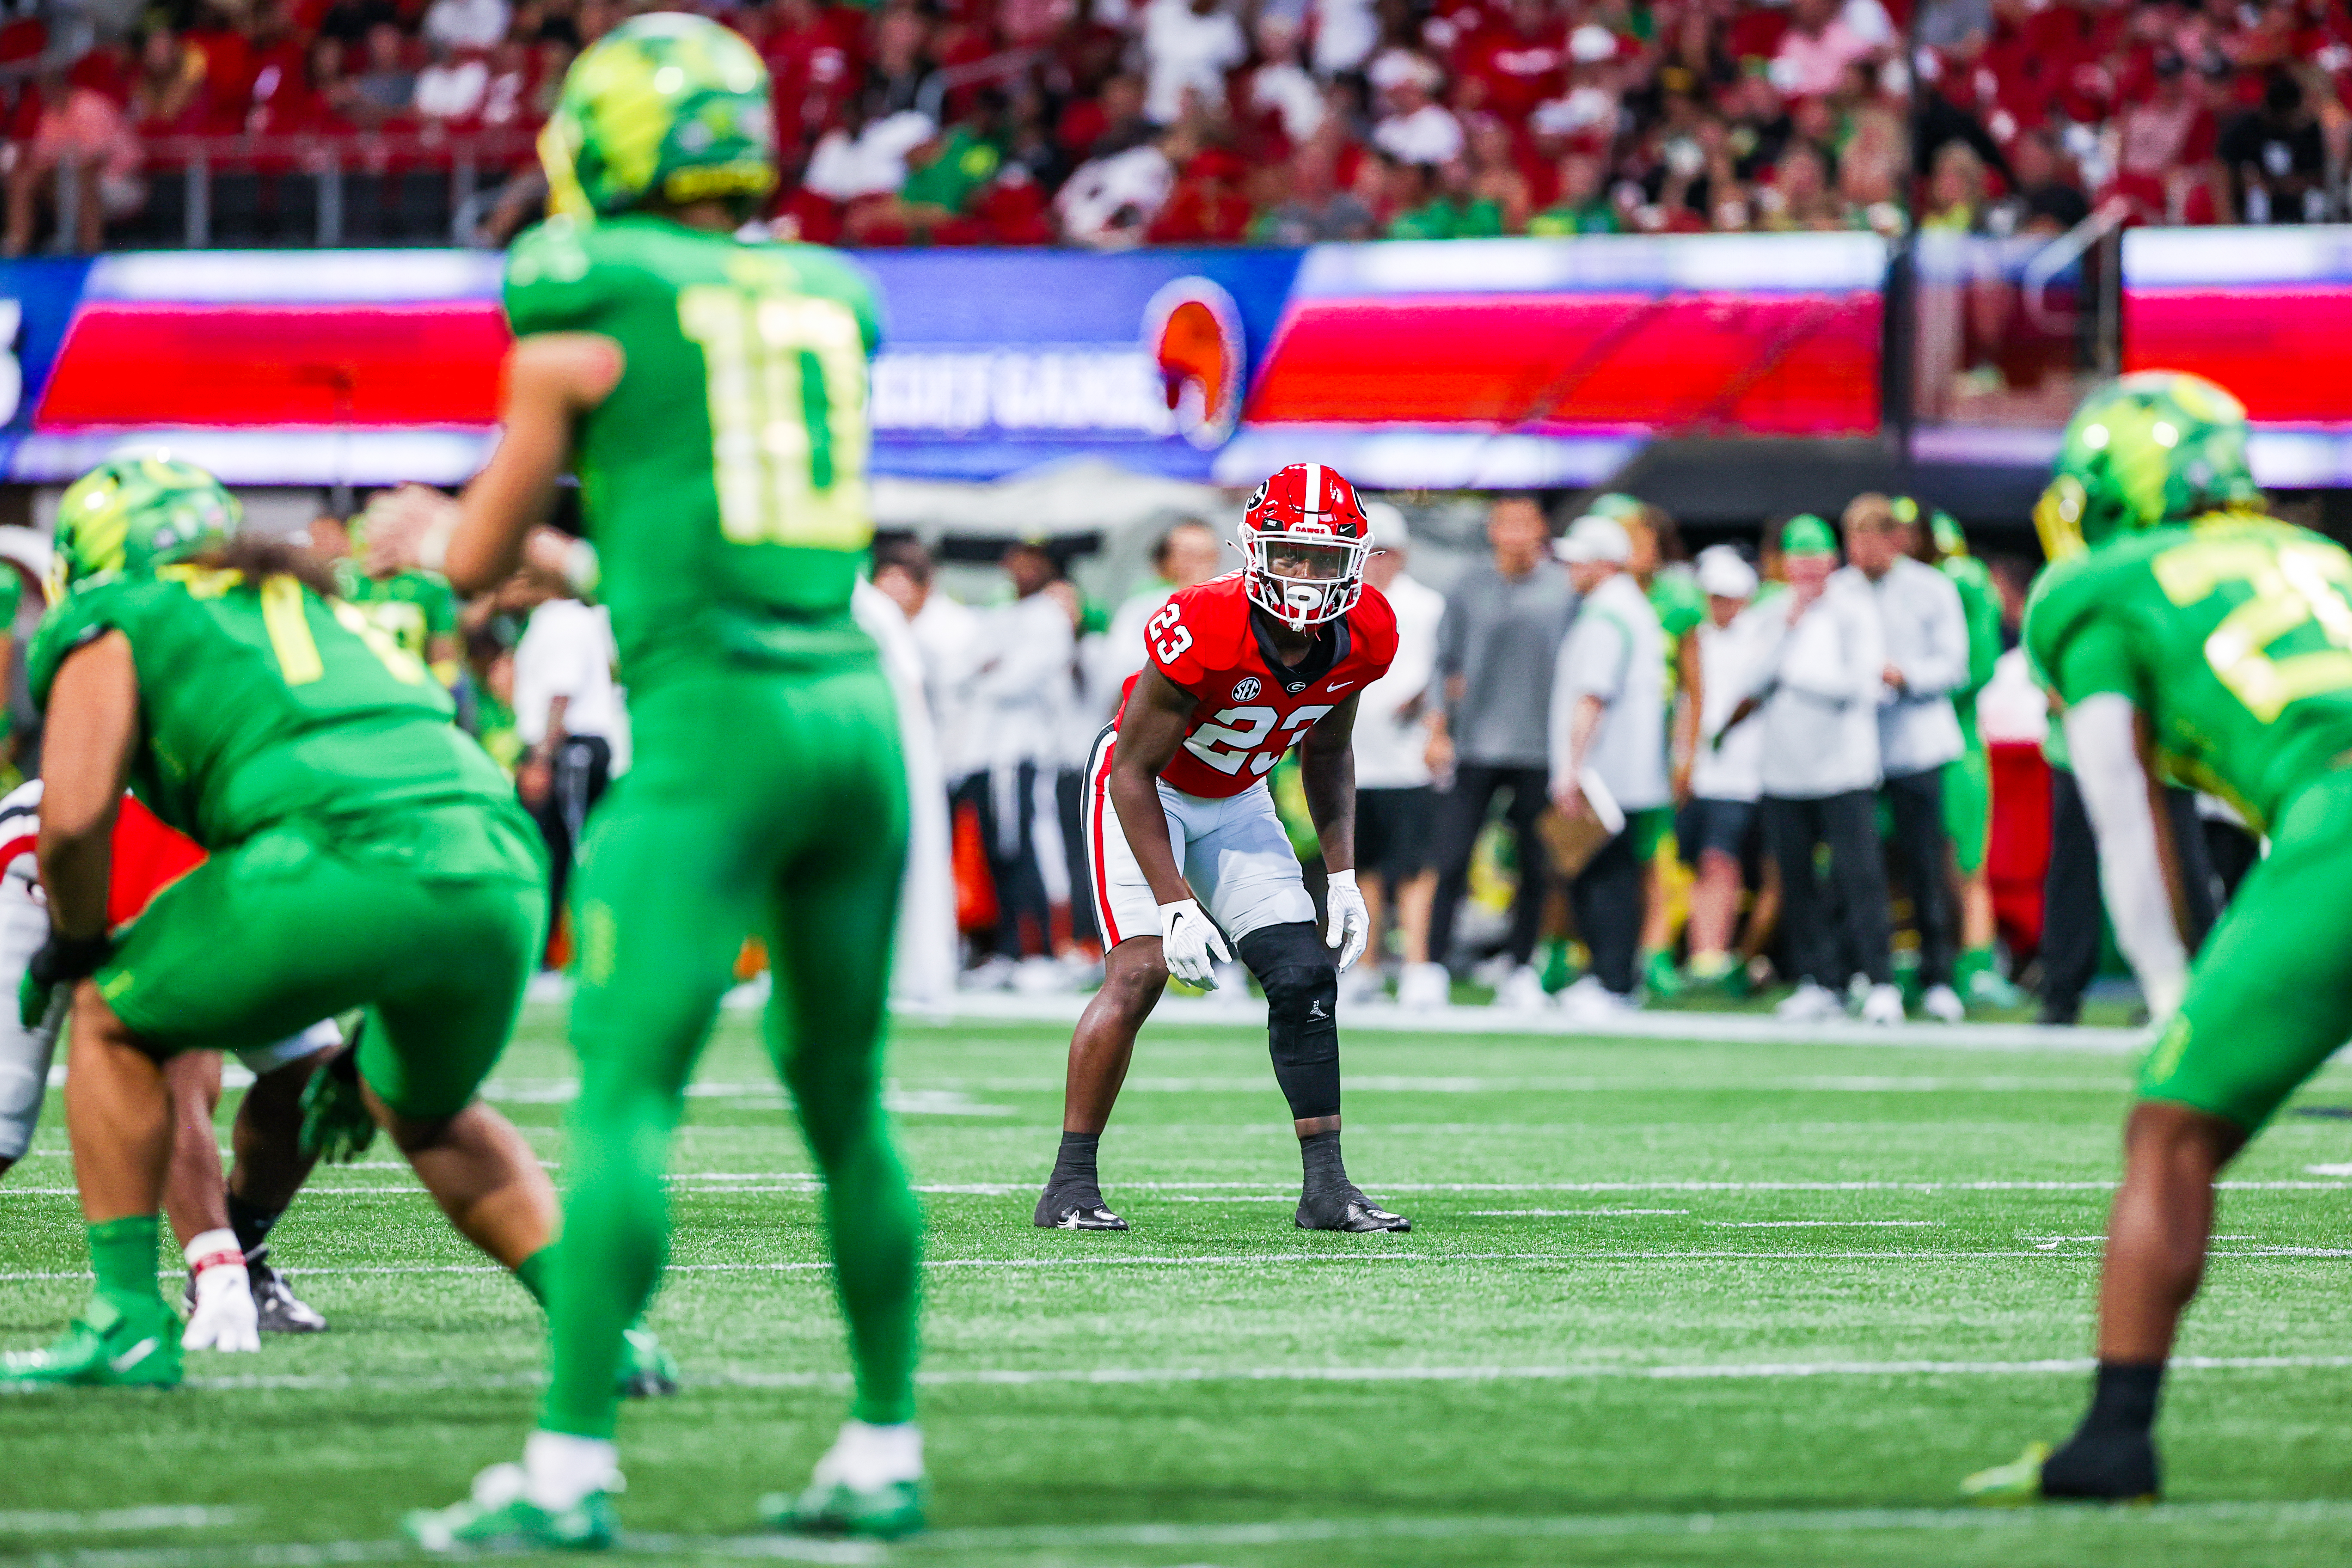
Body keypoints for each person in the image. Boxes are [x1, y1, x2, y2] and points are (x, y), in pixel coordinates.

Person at [392, 15, 925, 1546]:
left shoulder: (583, 286)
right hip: (851, 707)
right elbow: (704, 478)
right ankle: (883, 1445)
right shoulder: (832, 289)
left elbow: (481, 559)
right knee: (849, 1108)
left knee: (628, 1095)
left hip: (715, 723)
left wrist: (468, 527)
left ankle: (567, 1471)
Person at [0, 456, 612, 1406]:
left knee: (116, 1017)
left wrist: (78, 945)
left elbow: (77, 819)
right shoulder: (327, 605)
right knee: (430, 1110)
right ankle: (601, 1332)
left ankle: (125, 1321)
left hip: (333, 856)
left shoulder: (121, 615)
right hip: (495, 864)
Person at [1961, 371, 2352, 1503]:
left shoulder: (2099, 587)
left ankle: (2113, 1443)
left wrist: (2175, 991)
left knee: (2170, 1134)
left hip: (2338, 818)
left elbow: (2125, 824)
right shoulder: (2323, 559)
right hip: (2319, 811)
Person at [1034, 463, 1407, 1235]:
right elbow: (1132, 770)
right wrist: (1175, 902)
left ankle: (1326, 1189)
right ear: (1254, 549)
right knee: (1138, 973)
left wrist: (1341, 875)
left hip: (1237, 794)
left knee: (1306, 973)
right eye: (1290, 555)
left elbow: (1329, 751)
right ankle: (1069, 1183)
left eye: (1323, 559)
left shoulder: (1368, 630)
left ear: (1355, 563)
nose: (1305, 577)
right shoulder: (1202, 620)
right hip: (1146, 789)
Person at [0, 778, 338, 1341]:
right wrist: (214, 1267)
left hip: (210, 871)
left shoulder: (324, 847)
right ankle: (219, 1273)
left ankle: (243, 1251)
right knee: (5, 1110)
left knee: (314, 1074)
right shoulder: (219, 827)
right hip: (55, 854)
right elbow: (174, 1067)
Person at [1740, 515, 1901, 1025]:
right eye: (1798, 558)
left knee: (1861, 878)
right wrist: (1787, 631)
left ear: (1832, 561)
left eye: (1816, 558)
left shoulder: (1855, 610)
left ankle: (1880, 981)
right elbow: (1752, 681)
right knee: (1796, 880)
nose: (1807, 569)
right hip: (1784, 771)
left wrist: (1802, 680)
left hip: (1844, 770)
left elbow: (1866, 684)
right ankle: (1819, 981)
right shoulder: (1771, 613)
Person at [1425, 496, 1576, 1008]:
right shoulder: (1469, 586)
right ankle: (1432, 965)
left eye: (1524, 524)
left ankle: (1521, 967)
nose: (1514, 534)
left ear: (1541, 531)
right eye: (1505, 524)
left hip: (1541, 750)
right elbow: (1443, 663)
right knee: (1450, 856)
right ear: (1492, 531)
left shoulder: (1564, 589)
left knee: (1536, 865)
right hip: (1475, 745)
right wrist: (1437, 731)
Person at [1842, 493, 1969, 1023]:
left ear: (1895, 538)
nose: (1865, 547)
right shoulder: (1838, 592)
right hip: (1852, 751)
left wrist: (1906, 675)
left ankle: (1940, 978)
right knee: (1858, 868)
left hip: (1918, 745)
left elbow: (1956, 665)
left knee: (1926, 864)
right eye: (1856, 536)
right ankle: (1867, 976)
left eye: (1875, 534)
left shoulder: (1932, 588)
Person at [1547, 517, 1667, 1020]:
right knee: (1612, 877)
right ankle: (1613, 977)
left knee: (1604, 880)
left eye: (1579, 558)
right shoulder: (1629, 609)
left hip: (1607, 772)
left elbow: (1591, 696)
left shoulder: (1606, 616)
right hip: (1628, 771)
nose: (1571, 568)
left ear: (1603, 563)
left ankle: (1613, 980)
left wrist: (1571, 769)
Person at [1910, 500, 2021, 1007]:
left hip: (1955, 741)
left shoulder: (1964, 581)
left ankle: (1975, 962)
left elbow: (1976, 669)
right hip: (1898, 743)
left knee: (1964, 861)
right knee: (1909, 859)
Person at [956, 540, 1075, 986]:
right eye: (1015, 561)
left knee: (1029, 847)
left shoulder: (1049, 617)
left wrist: (990, 671)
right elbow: (965, 669)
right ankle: (1007, 949)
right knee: (997, 849)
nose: (1021, 570)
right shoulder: (1001, 614)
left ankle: (1041, 951)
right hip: (987, 752)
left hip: (1027, 753)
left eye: (1032, 562)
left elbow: (1015, 680)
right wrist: (986, 670)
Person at [1351, 503, 1447, 1008]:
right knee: (1361, 865)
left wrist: (1436, 731)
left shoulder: (1426, 607)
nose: (1375, 563)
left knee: (1412, 868)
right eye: (1368, 552)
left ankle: (1415, 963)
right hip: (1354, 760)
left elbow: (1439, 678)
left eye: (1384, 552)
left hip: (1406, 759)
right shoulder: (1341, 604)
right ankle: (1365, 965)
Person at [511, 575, 629, 945]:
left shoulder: (561, 619)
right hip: (573, 747)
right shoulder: (574, 618)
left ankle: (568, 948)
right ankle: (561, 947)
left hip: (570, 749)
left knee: (573, 854)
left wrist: (540, 759)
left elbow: (561, 693)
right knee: (563, 852)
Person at [1681, 545, 1766, 988]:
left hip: (1749, 777)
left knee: (1727, 864)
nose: (1720, 605)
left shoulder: (1761, 637)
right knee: (1709, 863)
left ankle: (1721, 955)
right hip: (1706, 777)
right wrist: (1685, 761)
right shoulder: (1695, 640)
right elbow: (1691, 707)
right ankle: (1706, 955)